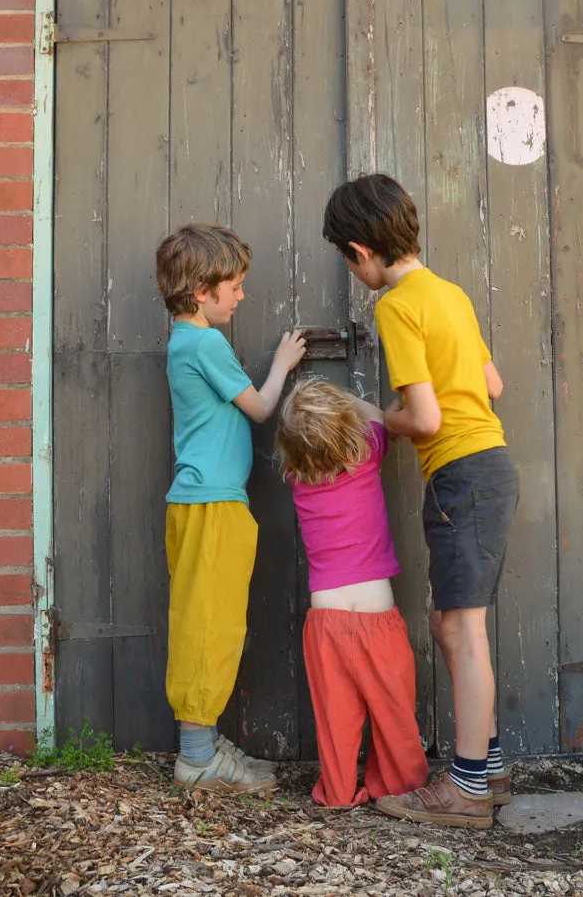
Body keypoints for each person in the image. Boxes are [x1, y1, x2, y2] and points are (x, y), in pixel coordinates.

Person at [323, 174, 519, 829]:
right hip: (489, 467)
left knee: (460, 629)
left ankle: (464, 791)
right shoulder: (450, 293)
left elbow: (427, 417)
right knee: (453, 624)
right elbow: (493, 380)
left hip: (460, 474)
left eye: (350, 265)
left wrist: (374, 414)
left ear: (360, 252)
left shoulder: (398, 305)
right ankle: (486, 769)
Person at [156, 222, 306, 793]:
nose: (241, 296)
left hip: (208, 505)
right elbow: (261, 408)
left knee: (209, 620)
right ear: (201, 291)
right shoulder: (205, 342)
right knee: (208, 626)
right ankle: (196, 757)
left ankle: (204, 742)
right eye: (235, 286)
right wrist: (284, 364)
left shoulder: (185, 341)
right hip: (212, 506)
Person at [275, 378, 429, 807]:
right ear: (346, 427)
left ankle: (339, 791)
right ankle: (401, 787)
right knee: (394, 711)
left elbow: (308, 442)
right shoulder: (368, 453)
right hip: (376, 619)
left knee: (336, 718)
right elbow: (378, 416)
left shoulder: (296, 478)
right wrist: (347, 399)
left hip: (325, 623)